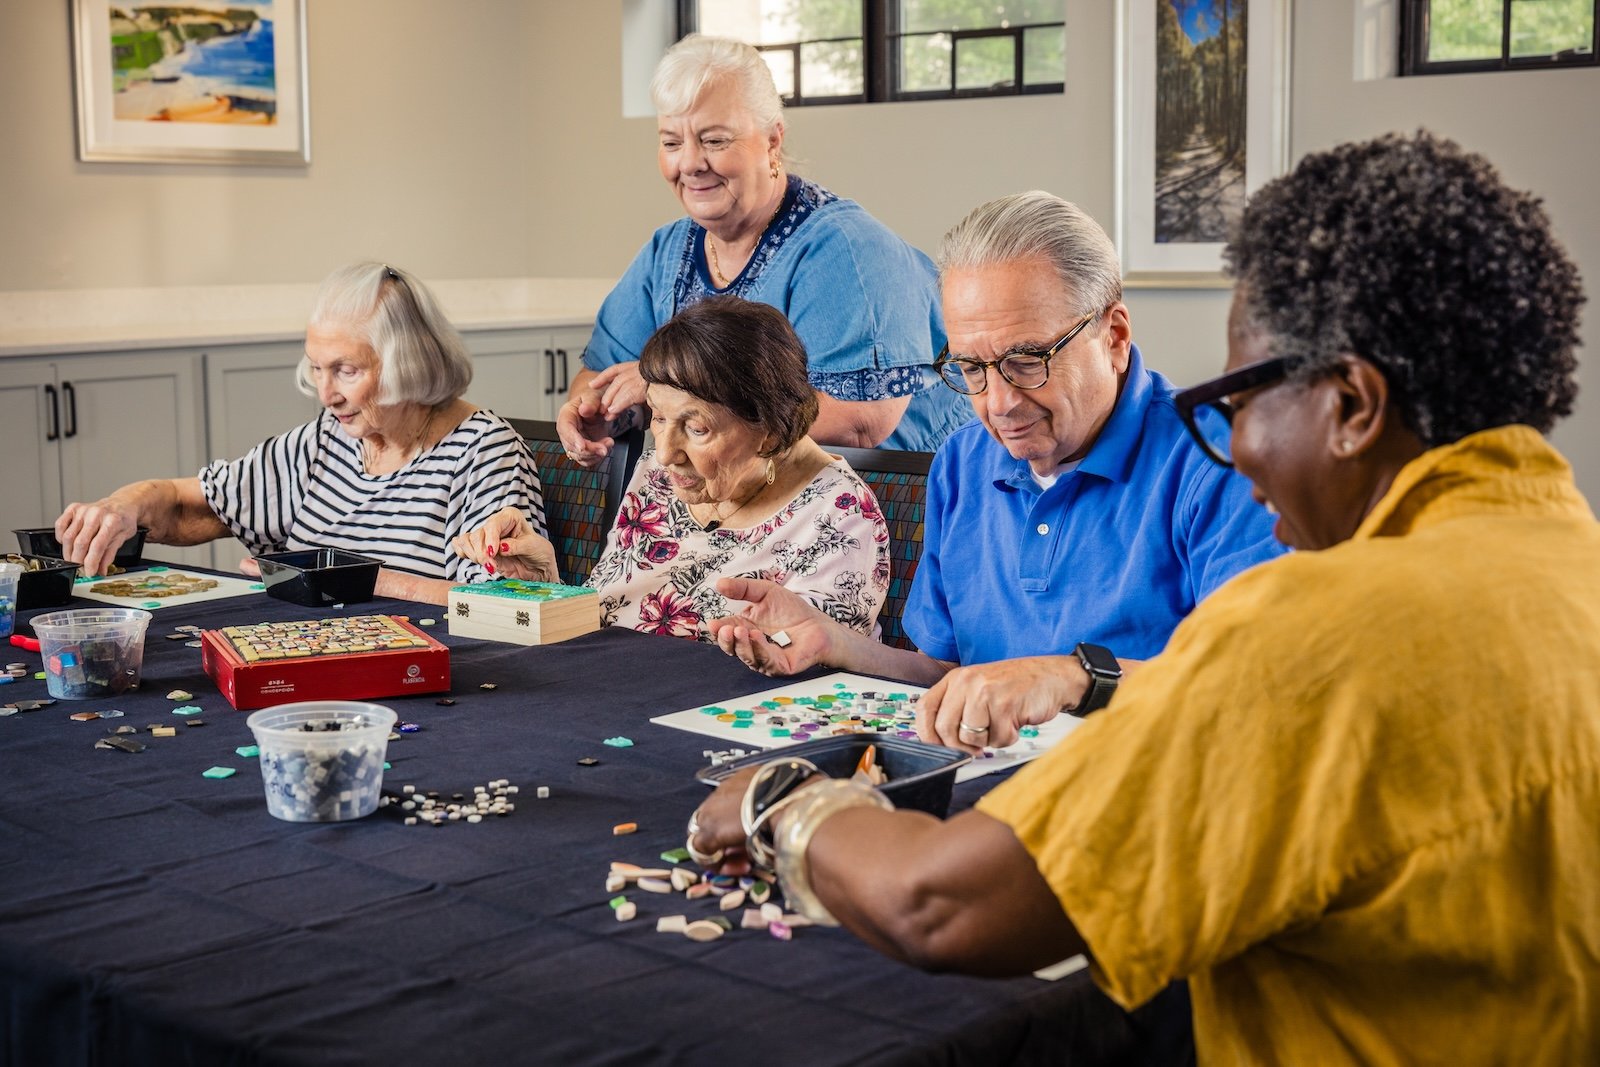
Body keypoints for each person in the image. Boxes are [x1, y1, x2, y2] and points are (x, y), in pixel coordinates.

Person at [689, 132, 1600, 1064]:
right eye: (971, 369)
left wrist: (783, 797)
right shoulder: (1570, 558)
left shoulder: (1310, 634)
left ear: (1354, 407)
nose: (1236, 444)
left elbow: (942, 906)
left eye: (1244, 395)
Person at [709, 191, 1282, 741]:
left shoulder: (1222, 461)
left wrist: (1073, 678)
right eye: (973, 368)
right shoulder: (963, 461)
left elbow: (1255, 683)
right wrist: (832, 643)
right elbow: (946, 675)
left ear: (1114, 336)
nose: (1000, 404)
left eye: (1027, 360)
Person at [559, 34, 971, 462]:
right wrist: (598, 414)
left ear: (773, 140)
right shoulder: (668, 251)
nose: (690, 163)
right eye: (671, 143)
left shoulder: (845, 249)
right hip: (741, 501)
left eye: (715, 140)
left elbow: (858, 422)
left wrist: (673, 397)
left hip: (892, 503)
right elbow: (598, 378)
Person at [54, 262, 545, 605]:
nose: (325, 394)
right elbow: (197, 505)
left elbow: (506, 605)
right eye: (316, 370)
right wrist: (125, 505)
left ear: (408, 365)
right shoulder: (328, 440)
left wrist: (345, 579)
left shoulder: (482, 449)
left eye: (346, 371)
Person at [455, 296, 889, 641]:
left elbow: (806, 671)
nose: (665, 453)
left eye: (696, 428)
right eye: (659, 419)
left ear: (771, 432)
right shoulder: (663, 479)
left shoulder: (840, 517)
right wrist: (544, 583)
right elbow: (613, 618)